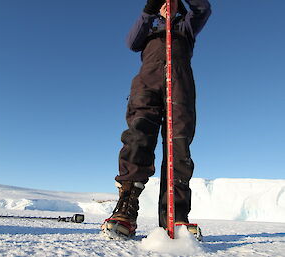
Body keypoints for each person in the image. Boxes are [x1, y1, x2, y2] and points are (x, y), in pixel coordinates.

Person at [102, 0, 211, 238]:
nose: (167, 5)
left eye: (171, 2)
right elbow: (131, 43)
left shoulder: (186, 27)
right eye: (162, 2)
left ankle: (176, 217)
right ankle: (126, 211)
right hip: (146, 87)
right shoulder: (149, 29)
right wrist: (149, 10)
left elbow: (202, 9)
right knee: (138, 138)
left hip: (180, 87)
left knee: (178, 146)